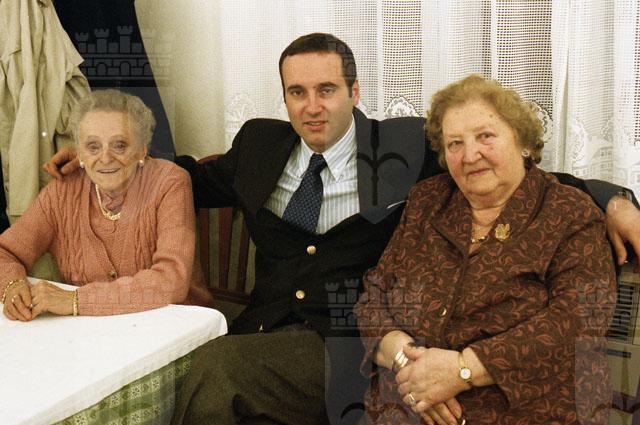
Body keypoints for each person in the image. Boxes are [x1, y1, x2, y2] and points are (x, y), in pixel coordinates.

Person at [43, 34, 639, 425]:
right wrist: (111, 163)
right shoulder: (259, 145)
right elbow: (189, 179)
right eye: (297, 93)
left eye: (327, 90)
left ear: (354, 92)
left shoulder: (404, 148)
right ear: (284, 98)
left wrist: (612, 200)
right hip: (268, 328)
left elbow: (507, 169)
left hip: (348, 343)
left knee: (215, 372)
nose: (313, 106)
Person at [354, 74, 617, 425]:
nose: (470, 155)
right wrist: (411, 365)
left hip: (526, 412)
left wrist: (460, 371)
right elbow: (373, 296)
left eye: (485, 136)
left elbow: (580, 321)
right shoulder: (427, 201)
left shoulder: (569, 213)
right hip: (408, 406)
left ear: (522, 141)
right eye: (455, 143)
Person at [1, 89, 212, 321]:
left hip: (177, 325)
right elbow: (5, 251)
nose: (105, 158)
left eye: (119, 145)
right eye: (93, 146)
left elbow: (172, 280)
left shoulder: (170, 183)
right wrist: (12, 286)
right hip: (93, 331)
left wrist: (76, 300)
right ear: (80, 153)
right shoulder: (62, 191)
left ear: (142, 150)